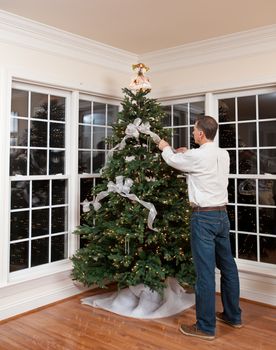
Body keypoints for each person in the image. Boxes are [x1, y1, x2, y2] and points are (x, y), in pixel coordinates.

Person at [158, 115, 242, 341]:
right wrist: (186, 153)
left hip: (203, 218)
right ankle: (233, 316)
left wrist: (166, 147)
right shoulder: (223, 154)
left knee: (205, 274)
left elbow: (172, 161)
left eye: (195, 130)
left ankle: (205, 327)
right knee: (228, 267)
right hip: (222, 216)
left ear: (201, 134)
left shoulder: (196, 156)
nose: (193, 133)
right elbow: (197, 163)